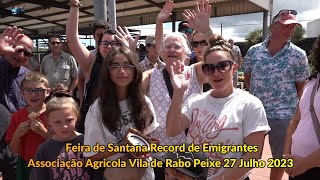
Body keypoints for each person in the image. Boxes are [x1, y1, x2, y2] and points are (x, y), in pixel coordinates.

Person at [166, 34, 270, 180]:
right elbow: (172, 130)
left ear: (234, 68)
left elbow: (253, 155)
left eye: (222, 66)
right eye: (209, 68)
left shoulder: (250, 104)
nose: (216, 73)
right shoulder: (195, 101)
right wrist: (178, 92)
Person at [242, 9, 310, 180]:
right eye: (286, 26)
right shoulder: (254, 51)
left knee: (280, 158)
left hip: (283, 115)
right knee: (247, 155)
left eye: (293, 26)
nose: (290, 30)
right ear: (273, 27)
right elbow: (248, 79)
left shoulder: (299, 55)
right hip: (255, 113)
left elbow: (301, 88)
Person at [83, 47, 158, 179]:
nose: (122, 71)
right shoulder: (97, 109)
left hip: (146, 174)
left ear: (135, 70)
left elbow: (147, 138)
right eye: (115, 66)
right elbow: (91, 156)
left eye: (128, 65)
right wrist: (122, 147)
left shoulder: (144, 102)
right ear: (108, 72)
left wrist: (145, 146)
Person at [67, 0, 138, 133]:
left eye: (114, 43)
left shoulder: (127, 65)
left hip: (119, 121)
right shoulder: (90, 62)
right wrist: (74, 6)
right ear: (99, 47)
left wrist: (130, 53)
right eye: (105, 43)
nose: (109, 47)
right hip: (92, 122)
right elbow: (72, 39)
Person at [283, 35, 320, 180]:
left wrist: (305, 164)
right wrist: (286, 155)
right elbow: (295, 121)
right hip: (297, 168)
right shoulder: (311, 82)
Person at [0, 26, 33, 180]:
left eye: (27, 53)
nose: (21, 55)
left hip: (17, 135)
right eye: (18, 49)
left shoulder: (27, 75)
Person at [29, 96, 91, 179]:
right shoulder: (44, 150)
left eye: (69, 120)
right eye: (57, 122)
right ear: (48, 121)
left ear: (76, 116)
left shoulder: (88, 142)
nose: (64, 126)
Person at [5, 72, 52, 179]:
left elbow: (62, 143)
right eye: (28, 90)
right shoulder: (16, 116)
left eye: (39, 90)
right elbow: (13, 150)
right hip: (25, 164)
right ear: (22, 93)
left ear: (48, 92)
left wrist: (43, 132)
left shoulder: (54, 114)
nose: (33, 94)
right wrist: (17, 135)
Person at [77, 20, 109, 106]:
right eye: (98, 35)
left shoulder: (115, 56)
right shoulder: (89, 56)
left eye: (103, 34)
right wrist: (82, 100)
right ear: (94, 36)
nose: (101, 38)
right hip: (92, 103)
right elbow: (81, 79)